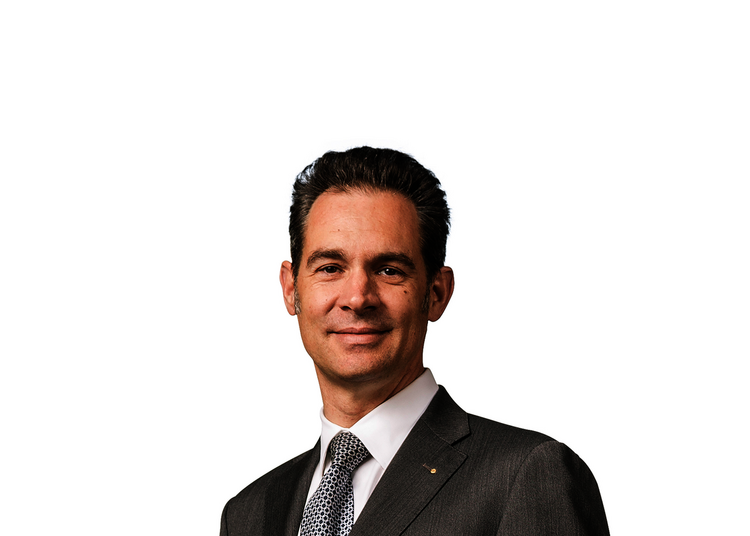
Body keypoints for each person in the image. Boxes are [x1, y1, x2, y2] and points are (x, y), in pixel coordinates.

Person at [219, 147, 610, 536]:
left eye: (389, 270)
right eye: (330, 268)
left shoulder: (526, 475)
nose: (357, 297)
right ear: (291, 289)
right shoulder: (247, 514)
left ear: (436, 293)